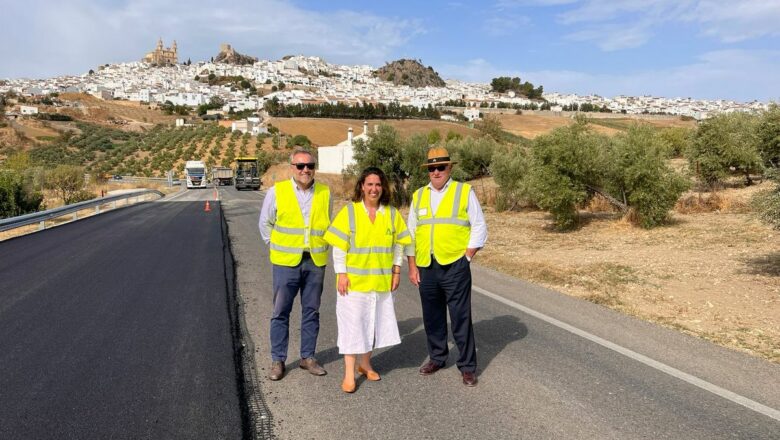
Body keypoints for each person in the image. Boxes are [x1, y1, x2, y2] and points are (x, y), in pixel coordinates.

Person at [324, 167, 412, 393]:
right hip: (353, 285)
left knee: (371, 324)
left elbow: (400, 244)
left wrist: (396, 270)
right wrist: (341, 274)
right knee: (352, 327)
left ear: (383, 188)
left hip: (380, 283)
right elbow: (338, 248)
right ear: (362, 186)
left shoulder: (391, 214)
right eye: (369, 184)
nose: (374, 189)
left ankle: (365, 365)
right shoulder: (349, 212)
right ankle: (348, 374)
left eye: (378, 185)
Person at [406, 147, 487, 387]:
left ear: (450, 168)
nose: (436, 172)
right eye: (432, 168)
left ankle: (467, 367)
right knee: (432, 317)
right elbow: (410, 233)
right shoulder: (418, 195)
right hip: (426, 265)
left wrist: (468, 256)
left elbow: (479, 225)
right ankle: (438, 357)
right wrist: (412, 265)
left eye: (441, 167)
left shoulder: (464, 191)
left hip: (455, 265)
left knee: (460, 317)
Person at [259, 147, 332, 381]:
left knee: (311, 312)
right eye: (300, 166)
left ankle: (307, 358)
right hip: (285, 264)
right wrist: (275, 245)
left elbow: (326, 225)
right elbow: (265, 223)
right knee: (281, 312)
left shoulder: (325, 193)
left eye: (310, 166)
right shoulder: (277, 192)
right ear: (292, 168)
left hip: (315, 262)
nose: (305, 170)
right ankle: (278, 360)